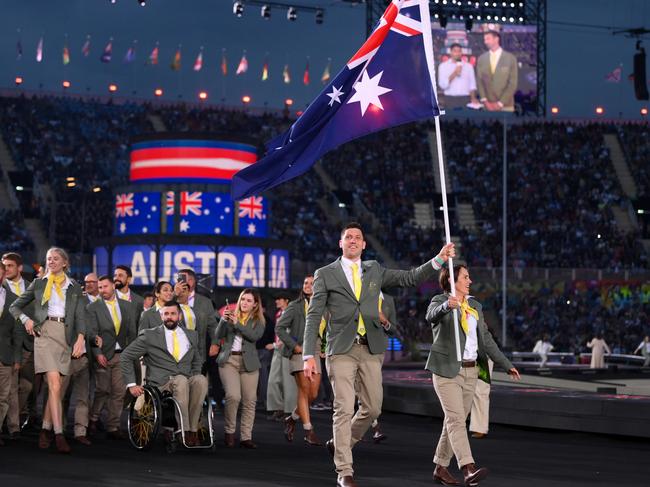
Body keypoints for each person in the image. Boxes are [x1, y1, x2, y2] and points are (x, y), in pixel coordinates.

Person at [302, 222, 455, 487]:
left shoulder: (375, 269)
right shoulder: (325, 274)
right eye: (347, 237)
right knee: (343, 406)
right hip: (340, 350)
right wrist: (308, 355)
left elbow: (409, 278)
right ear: (341, 244)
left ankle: (342, 443)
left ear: (363, 244)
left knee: (372, 408)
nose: (352, 240)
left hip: (371, 348)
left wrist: (439, 259)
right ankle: (344, 470)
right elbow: (314, 315)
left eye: (357, 237)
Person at [427, 264, 521, 486]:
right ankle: (468, 468)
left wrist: (506, 364)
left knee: (452, 422)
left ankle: (440, 468)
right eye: (465, 277)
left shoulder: (475, 306)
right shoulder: (439, 302)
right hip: (446, 371)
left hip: (471, 371)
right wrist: (446, 308)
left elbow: (486, 340)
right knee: (456, 420)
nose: (470, 281)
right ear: (452, 280)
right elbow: (430, 317)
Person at [10, 247, 86, 454]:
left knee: (57, 388)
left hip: (66, 336)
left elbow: (80, 315)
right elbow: (15, 306)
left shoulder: (74, 287)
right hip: (44, 334)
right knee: (53, 383)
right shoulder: (39, 283)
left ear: (65, 263)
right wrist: (26, 320)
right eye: (48, 259)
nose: (51, 261)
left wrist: (80, 338)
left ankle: (45, 428)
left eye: (55, 259)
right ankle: (58, 434)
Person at [121, 300, 208, 447]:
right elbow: (126, 356)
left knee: (200, 380)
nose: (169, 317)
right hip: (161, 384)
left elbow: (196, 361)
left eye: (173, 313)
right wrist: (131, 384)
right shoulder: (150, 336)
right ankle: (183, 431)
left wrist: (195, 374)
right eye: (166, 314)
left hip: (185, 380)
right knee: (181, 380)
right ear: (161, 316)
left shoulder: (191, 335)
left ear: (179, 316)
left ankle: (193, 430)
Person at [87, 275, 137, 439]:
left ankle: (113, 426)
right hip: (103, 354)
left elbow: (131, 332)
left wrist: (131, 353)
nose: (102, 290)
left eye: (105, 287)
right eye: (99, 288)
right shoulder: (93, 308)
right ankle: (93, 418)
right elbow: (92, 333)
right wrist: (97, 353)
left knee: (118, 393)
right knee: (103, 390)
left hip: (122, 355)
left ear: (113, 287)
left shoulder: (127, 306)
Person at [277, 275, 324, 446]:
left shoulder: (323, 305)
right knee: (304, 390)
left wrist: (325, 346)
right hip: (299, 351)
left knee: (313, 393)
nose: (308, 285)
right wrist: (294, 346)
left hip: (316, 351)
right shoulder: (294, 306)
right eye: (305, 283)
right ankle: (308, 430)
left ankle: (292, 418)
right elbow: (279, 328)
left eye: (312, 283)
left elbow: (326, 329)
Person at [215, 288, 265, 449]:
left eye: (249, 301)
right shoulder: (230, 316)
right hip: (229, 360)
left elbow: (253, 336)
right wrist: (224, 321)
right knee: (233, 396)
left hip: (249, 362)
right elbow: (218, 335)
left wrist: (237, 323)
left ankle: (246, 437)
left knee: (250, 401)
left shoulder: (259, 321)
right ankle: (229, 432)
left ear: (255, 305)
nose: (244, 303)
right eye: (243, 299)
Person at [2, 252, 35, 437]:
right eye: (4, 266)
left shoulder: (32, 288)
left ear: (20, 268)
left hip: (29, 345)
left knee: (28, 387)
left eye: (10, 266)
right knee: (11, 387)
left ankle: (12, 419)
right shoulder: (2, 287)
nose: (6, 269)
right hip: (9, 344)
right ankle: (13, 427)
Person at [0, 261, 22, 447]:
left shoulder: (14, 299)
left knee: (3, 397)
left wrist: (17, 358)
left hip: (5, 356)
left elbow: (17, 332)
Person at [266, 293, 297, 421]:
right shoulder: (279, 314)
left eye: (279, 299)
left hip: (287, 349)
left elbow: (290, 334)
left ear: (286, 300)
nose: (277, 301)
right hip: (278, 350)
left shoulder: (291, 312)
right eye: (276, 299)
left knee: (288, 381)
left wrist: (274, 345)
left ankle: (289, 411)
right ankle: (278, 407)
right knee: (273, 380)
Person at [174, 279, 218, 365]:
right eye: (178, 290)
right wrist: (174, 294)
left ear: (189, 293)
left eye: (184, 290)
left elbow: (213, 326)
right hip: (177, 354)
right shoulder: (169, 311)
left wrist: (215, 343)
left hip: (197, 355)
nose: (181, 292)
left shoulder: (196, 311)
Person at [476, 30, 518, 112]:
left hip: (506, 106)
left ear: (496, 39)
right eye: (484, 40)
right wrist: (485, 102)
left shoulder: (510, 58)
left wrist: (500, 103)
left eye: (488, 39)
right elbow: (480, 82)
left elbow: (512, 84)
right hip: (487, 106)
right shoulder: (481, 59)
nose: (485, 42)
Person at [437, 43, 479, 110]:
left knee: (466, 119)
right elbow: (443, 85)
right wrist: (455, 73)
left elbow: (472, 85)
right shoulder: (443, 66)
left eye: (459, 51)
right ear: (451, 52)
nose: (457, 53)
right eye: (455, 51)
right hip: (450, 98)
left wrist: (473, 98)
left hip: (465, 98)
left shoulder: (468, 66)